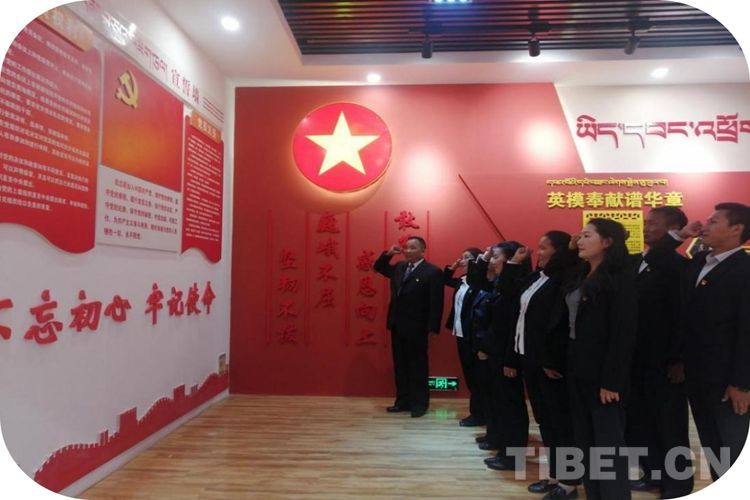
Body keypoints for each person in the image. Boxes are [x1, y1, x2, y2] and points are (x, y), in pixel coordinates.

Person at [675, 202, 750, 481]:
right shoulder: (699, 263)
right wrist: (680, 236)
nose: (704, 225)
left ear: (736, 229)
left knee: (733, 449)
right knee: (713, 447)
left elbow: (746, 330)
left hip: (729, 381)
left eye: (713, 221)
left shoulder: (744, 269)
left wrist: (742, 383)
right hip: (698, 375)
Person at [564, 219, 637, 500]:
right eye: (580, 235)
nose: (579, 240)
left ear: (607, 242)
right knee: (585, 440)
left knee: (607, 446)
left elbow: (623, 334)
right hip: (578, 367)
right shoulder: (583, 273)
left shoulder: (619, 279)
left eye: (586, 236)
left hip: (604, 375)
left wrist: (612, 380)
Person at [506, 231, 581, 499]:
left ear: (559, 252)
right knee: (546, 420)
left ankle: (570, 481)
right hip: (530, 358)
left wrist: (550, 359)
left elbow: (558, 326)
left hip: (549, 363)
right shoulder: (538, 278)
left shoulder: (563, 279)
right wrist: (513, 264)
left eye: (543, 248)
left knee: (561, 422)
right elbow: (509, 295)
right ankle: (555, 474)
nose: (538, 253)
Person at [625, 207, 693, 499]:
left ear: (673, 228)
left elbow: (683, 316)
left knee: (669, 425)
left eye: (653, 223)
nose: (645, 226)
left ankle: (678, 485)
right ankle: (652, 474)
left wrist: (679, 358)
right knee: (641, 422)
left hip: (665, 362)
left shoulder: (677, 266)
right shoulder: (637, 262)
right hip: (635, 360)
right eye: (645, 222)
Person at [467, 242, 531, 471]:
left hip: (507, 356)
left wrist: (509, 360)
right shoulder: (499, 284)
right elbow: (476, 281)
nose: (492, 261)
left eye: (496, 257)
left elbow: (511, 327)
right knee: (498, 402)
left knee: (511, 407)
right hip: (495, 352)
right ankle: (499, 442)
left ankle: (512, 456)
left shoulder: (516, 287)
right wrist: (484, 258)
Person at [374, 236, 444, 418]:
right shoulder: (399, 267)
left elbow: (436, 302)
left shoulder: (433, 272)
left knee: (417, 366)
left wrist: (433, 327)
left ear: (422, 250)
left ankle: (419, 404)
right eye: (406, 248)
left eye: (413, 248)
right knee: (400, 365)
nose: (408, 251)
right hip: (397, 324)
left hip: (417, 327)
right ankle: (402, 401)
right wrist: (388, 254)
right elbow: (379, 267)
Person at [443, 247, 485, 427]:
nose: (462, 260)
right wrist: (452, 267)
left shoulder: (480, 282)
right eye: (462, 257)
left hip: (474, 336)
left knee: (478, 377)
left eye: (467, 257)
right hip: (460, 333)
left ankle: (480, 414)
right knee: (469, 375)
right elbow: (445, 280)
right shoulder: (461, 281)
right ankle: (478, 412)